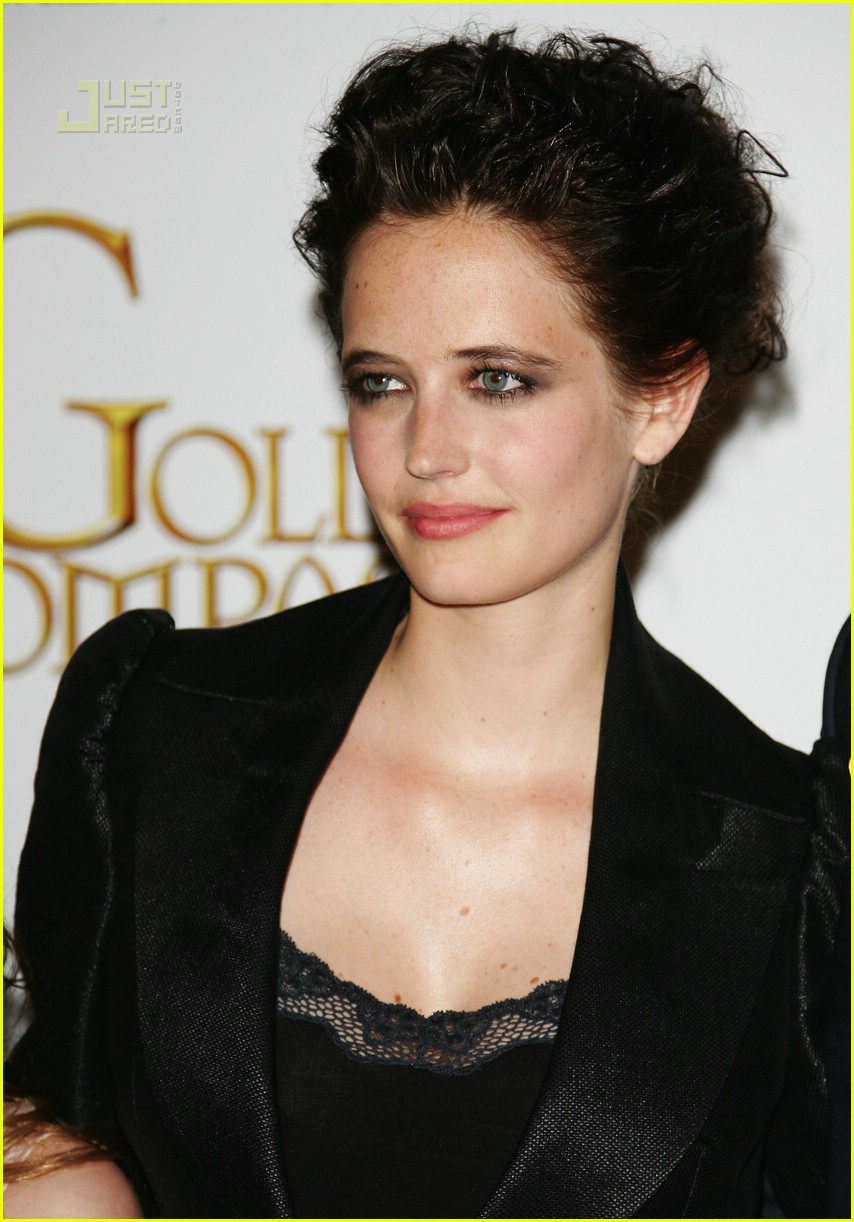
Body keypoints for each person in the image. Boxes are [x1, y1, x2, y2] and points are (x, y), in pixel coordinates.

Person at [5, 28, 846, 1219]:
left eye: (497, 379)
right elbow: (52, 1112)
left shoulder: (786, 861)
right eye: (380, 382)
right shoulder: (153, 726)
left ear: (659, 395)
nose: (425, 450)